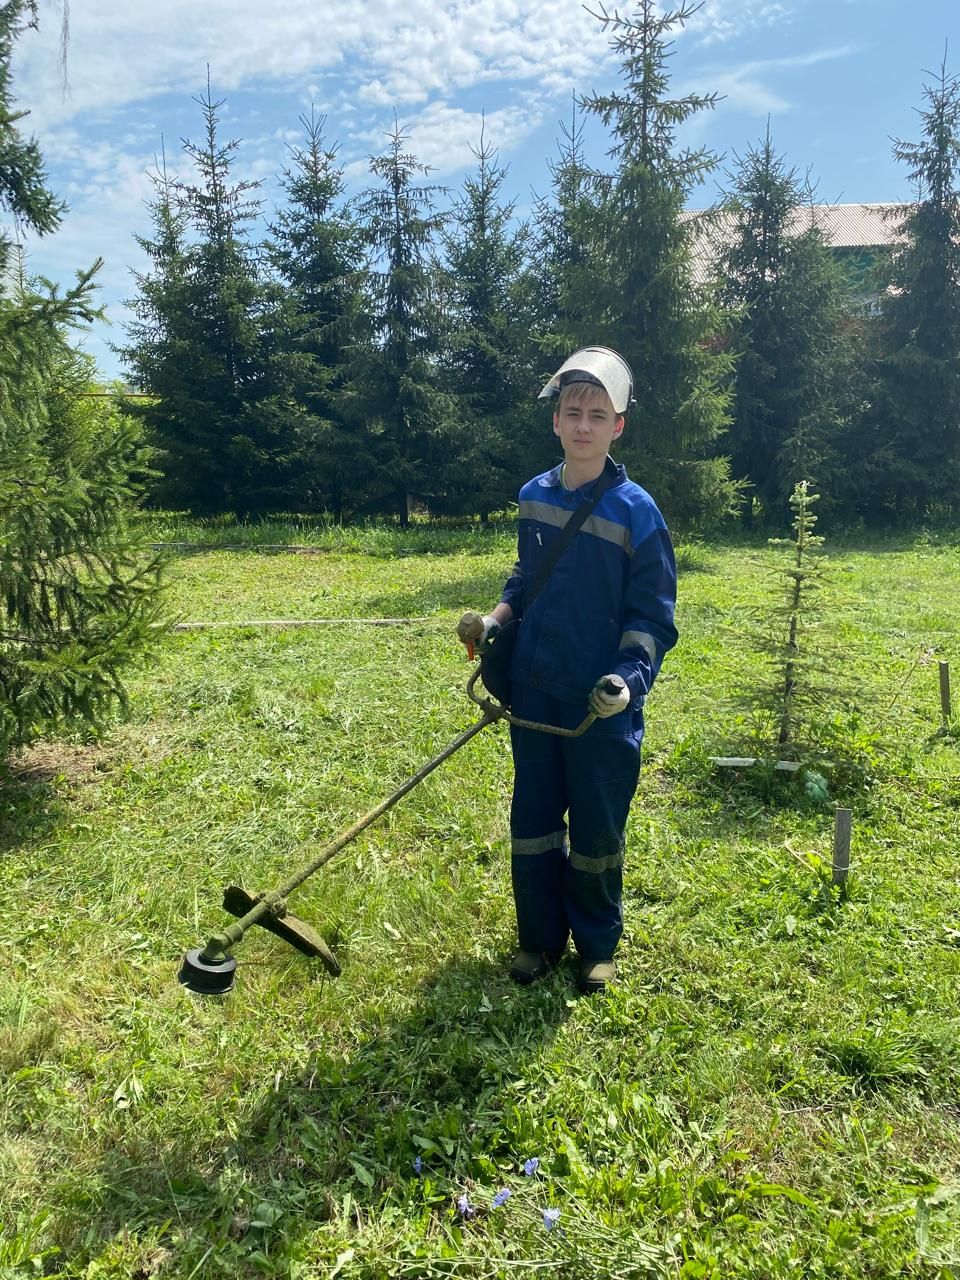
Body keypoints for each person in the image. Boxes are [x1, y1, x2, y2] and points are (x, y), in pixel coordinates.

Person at [457, 346, 678, 994]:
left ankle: (597, 946)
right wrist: (495, 622)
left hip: (597, 704)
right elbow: (525, 578)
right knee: (532, 821)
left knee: (597, 828)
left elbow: (652, 615)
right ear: (555, 420)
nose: (583, 425)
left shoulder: (638, 513)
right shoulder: (534, 497)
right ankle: (539, 941)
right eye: (572, 412)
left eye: (597, 414)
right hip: (534, 690)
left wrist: (626, 682)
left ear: (618, 427)